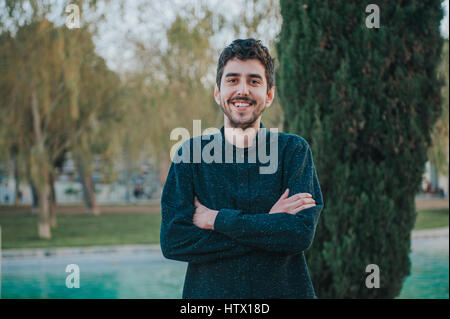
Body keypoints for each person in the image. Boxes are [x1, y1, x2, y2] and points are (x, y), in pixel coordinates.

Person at [160, 39, 324, 299]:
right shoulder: (190, 156)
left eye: (254, 81)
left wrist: (216, 220)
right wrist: (269, 224)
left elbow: (298, 235)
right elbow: (174, 242)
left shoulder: (293, 151)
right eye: (233, 80)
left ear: (269, 95)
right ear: (218, 92)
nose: (242, 90)